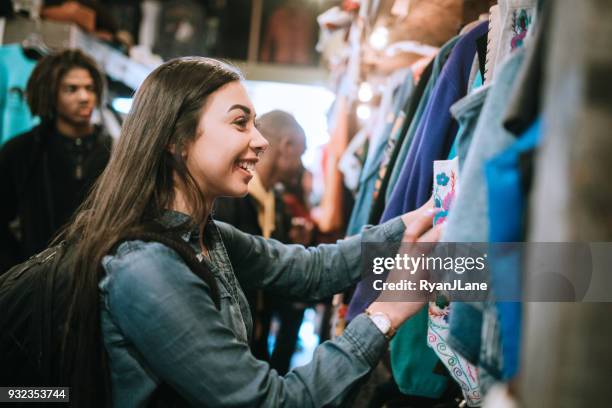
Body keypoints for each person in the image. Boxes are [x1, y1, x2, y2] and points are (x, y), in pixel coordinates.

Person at [62, 57, 441, 406]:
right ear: (175, 140)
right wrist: (386, 312)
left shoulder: (205, 236)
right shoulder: (146, 268)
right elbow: (272, 402)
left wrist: (420, 223)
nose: (260, 141)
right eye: (240, 122)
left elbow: (310, 270)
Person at [0, 49, 111, 274]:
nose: (84, 97)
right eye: (72, 89)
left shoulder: (114, 151)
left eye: (90, 88)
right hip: (36, 283)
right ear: (51, 93)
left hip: (97, 279)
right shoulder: (21, 151)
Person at [214, 110, 309, 374]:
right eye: (300, 153)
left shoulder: (275, 200)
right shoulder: (230, 198)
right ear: (287, 145)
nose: (301, 164)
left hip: (258, 332)